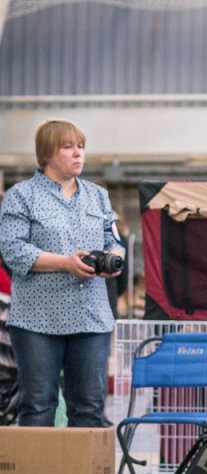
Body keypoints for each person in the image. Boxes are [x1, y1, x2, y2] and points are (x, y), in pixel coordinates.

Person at [0, 118, 125, 427]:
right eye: (68, 147)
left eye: (80, 147)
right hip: (37, 321)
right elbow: (13, 250)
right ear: (46, 154)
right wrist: (66, 263)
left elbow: (115, 241)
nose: (77, 154)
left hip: (91, 319)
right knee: (39, 405)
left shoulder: (98, 195)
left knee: (89, 409)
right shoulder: (21, 196)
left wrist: (113, 258)